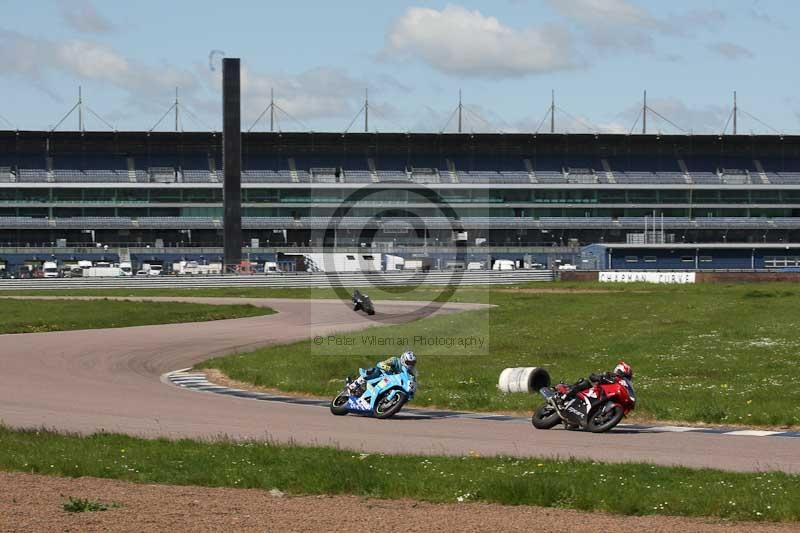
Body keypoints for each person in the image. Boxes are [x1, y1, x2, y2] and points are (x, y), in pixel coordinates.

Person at [559, 361, 633, 403]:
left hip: (602, 398)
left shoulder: (622, 385)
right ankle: (564, 397)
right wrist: (600, 377)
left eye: (626, 376)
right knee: (585, 383)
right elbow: (592, 376)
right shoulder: (609, 375)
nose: (623, 377)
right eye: (623, 374)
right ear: (618, 370)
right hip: (593, 392)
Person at [348, 350, 417, 395]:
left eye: (412, 363)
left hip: (391, 384)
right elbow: (380, 364)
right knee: (374, 371)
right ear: (403, 359)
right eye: (408, 362)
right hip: (383, 375)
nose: (410, 365)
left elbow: (411, 382)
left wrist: (412, 388)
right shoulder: (394, 360)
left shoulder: (409, 373)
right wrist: (388, 368)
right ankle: (355, 384)